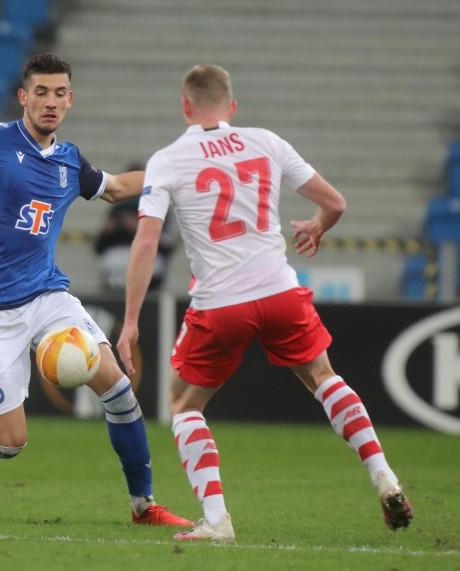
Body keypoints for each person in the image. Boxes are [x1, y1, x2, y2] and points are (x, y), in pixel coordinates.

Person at [0, 53, 192, 526]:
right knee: (9, 444)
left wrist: (173, 176)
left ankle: (143, 505)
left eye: (59, 94)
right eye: (41, 92)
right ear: (23, 96)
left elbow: (114, 188)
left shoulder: (70, 161)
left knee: (118, 389)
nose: (50, 102)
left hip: (48, 296)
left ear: (70, 100)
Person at [116, 64, 414, 541]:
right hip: (279, 291)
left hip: (221, 303)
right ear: (232, 106)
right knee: (325, 378)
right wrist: (317, 225)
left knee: (183, 404)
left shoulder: (168, 159)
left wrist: (130, 322)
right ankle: (385, 477)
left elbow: (146, 243)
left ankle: (217, 521)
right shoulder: (266, 141)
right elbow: (335, 203)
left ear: (185, 106)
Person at [94, 161, 178, 292]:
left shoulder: (161, 208)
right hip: (115, 267)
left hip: (148, 263)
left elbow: (169, 243)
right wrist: (107, 232)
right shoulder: (118, 208)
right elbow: (99, 247)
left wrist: (142, 229)